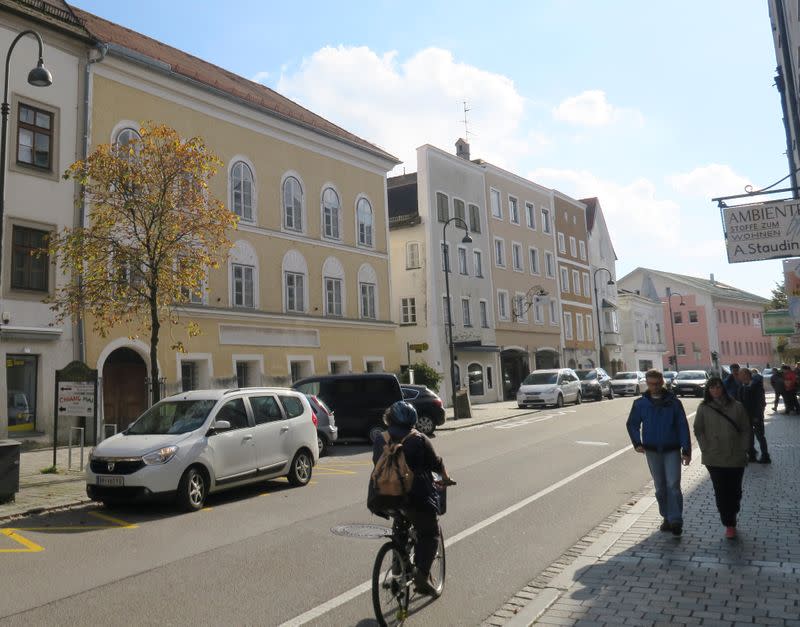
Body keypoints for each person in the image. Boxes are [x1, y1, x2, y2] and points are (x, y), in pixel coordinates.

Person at [371, 400, 452, 596]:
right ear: (413, 421)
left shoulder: (380, 439)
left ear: (389, 419)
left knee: (400, 520)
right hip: (415, 499)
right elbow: (436, 464)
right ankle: (422, 575)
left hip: (382, 497)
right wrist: (446, 478)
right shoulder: (420, 439)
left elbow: (376, 462)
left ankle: (398, 565)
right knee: (429, 532)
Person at [626, 369, 691, 536]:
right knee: (660, 488)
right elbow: (632, 424)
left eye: (656, 383)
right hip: (652, 450)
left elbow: (682, 426)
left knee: (673, 485)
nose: (654, 387)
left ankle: (676, 520)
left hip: (671, 449)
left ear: (662, 382)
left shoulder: (674, 403)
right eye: (650, 384)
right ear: (647, 384)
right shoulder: (640, 404)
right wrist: (636, 442)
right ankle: (667, 517)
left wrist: (686, 449)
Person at [693, 376, 750, 539]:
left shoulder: (737, 407)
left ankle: (733, 512)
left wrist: (744, 447)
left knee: (735, 490)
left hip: (735, 455)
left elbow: (746, 428)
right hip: (714, 456)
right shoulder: (704, 408)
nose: (715, 391)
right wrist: (705, 447)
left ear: (723, 388)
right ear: (708, 390)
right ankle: (729, 523)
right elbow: (698, 429)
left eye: (718, 387)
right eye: (711, 388)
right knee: (721, 490)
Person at [740, 369, 771, 464]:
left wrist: (757, 416)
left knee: (760, 436)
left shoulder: (756, 386)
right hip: (746, 417)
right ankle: (752, 455)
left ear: (747, 375)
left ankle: (765, 456)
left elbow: (760, 403)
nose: (740, 376)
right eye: (740, 375)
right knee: (749, 436)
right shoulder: (742, 386)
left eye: (742, 374)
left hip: (756, 416)